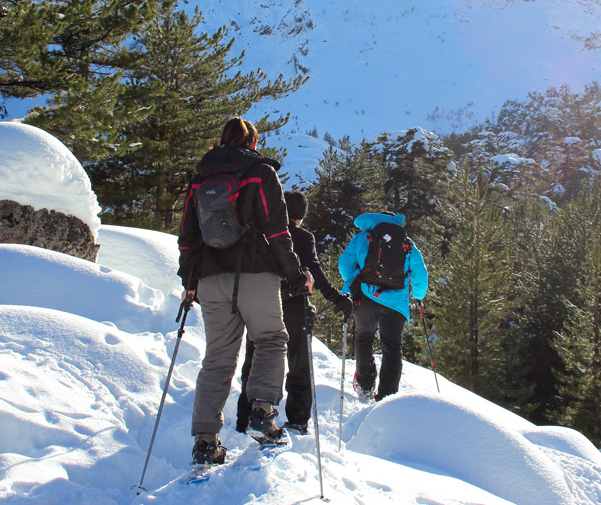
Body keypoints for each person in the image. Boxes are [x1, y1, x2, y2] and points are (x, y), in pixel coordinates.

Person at [178, 117, 311, 466]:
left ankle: (205, 442)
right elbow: (277, 229)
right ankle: (263, 413)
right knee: (270, 339)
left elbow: (188, 237)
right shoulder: (260, 172)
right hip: (255, 273)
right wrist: (294, 273)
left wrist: (189, 283)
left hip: (210, 277)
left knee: (218, 357)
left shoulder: (201, 178)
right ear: (252, 142)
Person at [236, 191, 355, 435]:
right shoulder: (302, 237)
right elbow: (315, 274)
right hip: (293, 304)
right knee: (298, 363)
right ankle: (298, 419)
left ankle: (245, 416)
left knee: (255, 357)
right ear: (300, 215)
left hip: (260, 302)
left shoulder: (262, 234)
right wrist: (338, 299)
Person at [339, 211, 428, 401]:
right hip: (395, 302)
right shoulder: (407, 243)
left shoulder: (362, 238)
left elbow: (345, 264)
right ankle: (388, 395)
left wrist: (353, 280)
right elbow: (420, 272)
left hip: (366, 297)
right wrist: (418, 295)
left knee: (364, 338)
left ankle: (365, 384)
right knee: (392, 348)